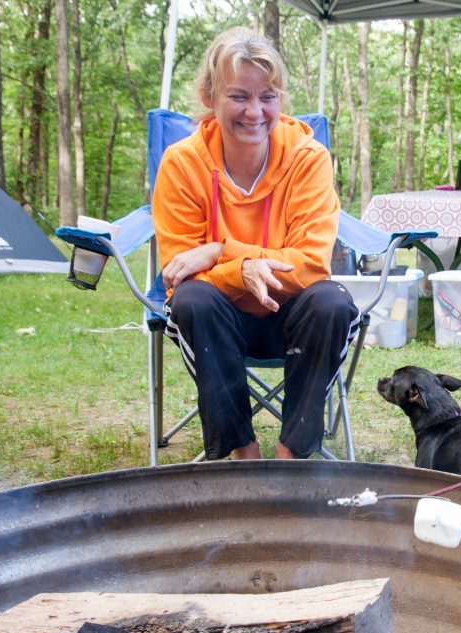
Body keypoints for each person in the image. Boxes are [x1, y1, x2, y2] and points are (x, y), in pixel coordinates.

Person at [152, 27, 358, 460]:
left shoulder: (307, 158)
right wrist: (238, 266)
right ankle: (243, 453)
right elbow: (177, 272)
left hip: (292, 316)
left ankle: (290, 456)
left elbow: (310, 266)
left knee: (332, 301)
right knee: (193, 300)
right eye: (238, 96)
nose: (254, 111)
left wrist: (218, 252)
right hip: (219, 323)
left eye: (267, 95)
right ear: (209, 97)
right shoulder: (182, 164)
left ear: (280, 98)